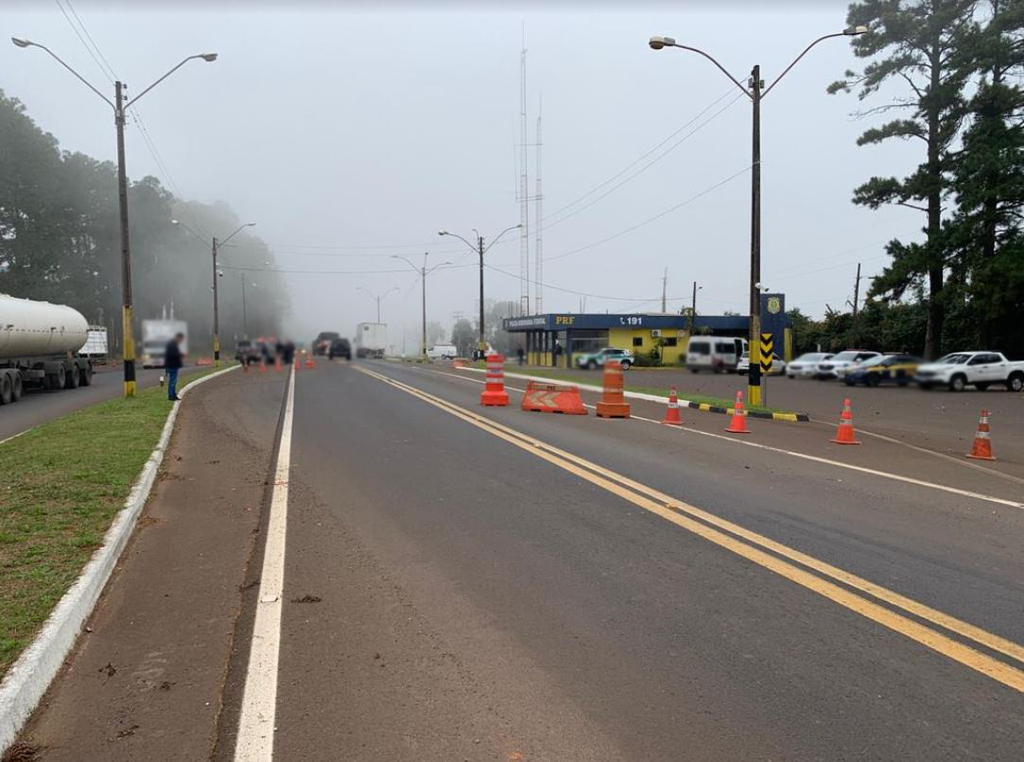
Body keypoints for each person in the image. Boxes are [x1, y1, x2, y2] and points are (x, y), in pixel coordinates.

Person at [164, 332, 185, 401]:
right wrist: (180, 355)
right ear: (178, 338)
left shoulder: (172, 344)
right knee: (172, 381)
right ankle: (171, 396)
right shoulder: (172, 344)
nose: (181, 341)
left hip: (172, 364)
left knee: (173, 381)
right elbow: (173, 355)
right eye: (181, 339)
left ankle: (173, 394)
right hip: (172, 365)